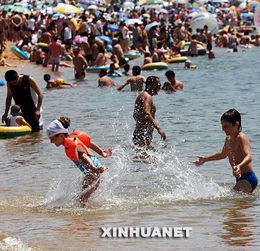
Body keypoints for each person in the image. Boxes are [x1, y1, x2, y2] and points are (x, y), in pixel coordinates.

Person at [46, 117, 112, 204]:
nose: (51, 142)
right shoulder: (75, 138)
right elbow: (89, 144)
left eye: (52, 139)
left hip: (92, 174)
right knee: (84, 200)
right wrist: (102, 153)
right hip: (96, 172)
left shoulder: (69, 145)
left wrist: (93, 168)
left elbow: (82, 155)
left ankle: (83, 217)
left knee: (81, 201)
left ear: (61, 135)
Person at [194, 109, 258, 193]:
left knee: (232, 197)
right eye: (222, 126)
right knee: (240, 204)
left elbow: (249, 157)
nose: (223, 129)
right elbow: (222, 154)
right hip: (239, 178)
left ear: (236, 124)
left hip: (248, 178)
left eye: (226, 126)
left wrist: (239, 166)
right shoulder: (228, 139)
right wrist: (205, 159)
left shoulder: (241, 137)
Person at [133, 76, 166, 147]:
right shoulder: (147, 96)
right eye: (159, 85)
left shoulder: (142, 95)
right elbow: (147, 113)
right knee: (145, 156)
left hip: (140, 132)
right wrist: (159, 129)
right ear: (152, 85)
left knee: (143, 156)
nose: (160, 88)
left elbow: (135, 115)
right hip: (143, 133)